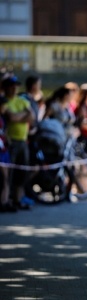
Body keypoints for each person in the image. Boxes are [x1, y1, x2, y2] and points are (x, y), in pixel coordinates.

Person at [1, 75, 34, 210]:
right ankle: (6, 200)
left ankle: (18, 199)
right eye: (11, 86)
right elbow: (12, 118)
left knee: (22, 173)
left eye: (16, 86)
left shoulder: (22, 100)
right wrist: (23, 116)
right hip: (10, 142)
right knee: (9, 175)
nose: (14, 88)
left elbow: (32, 117)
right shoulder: (3, 102)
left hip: (23, 141)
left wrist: (19, 116)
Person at [0, 95, 16, 212]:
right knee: (3, 178)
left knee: (5, 178)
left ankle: (5, 201)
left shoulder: (3, 117)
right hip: (1, 151)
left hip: (4, 149)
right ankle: (3, 201)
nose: (5, 107)